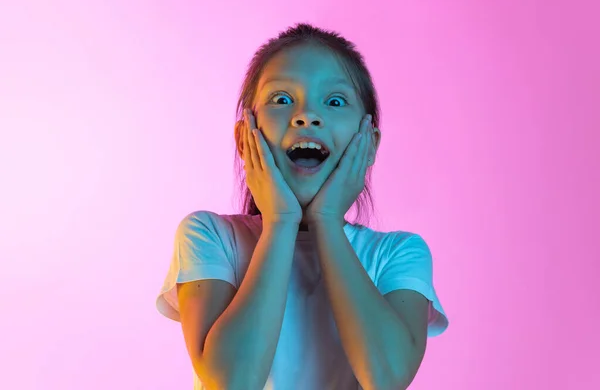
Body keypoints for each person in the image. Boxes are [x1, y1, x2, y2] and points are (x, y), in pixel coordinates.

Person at [156, 22, 449, 390]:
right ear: (245, 135)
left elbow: (386, 378)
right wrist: (280, 222)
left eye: (335, 101)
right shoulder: (209, 236)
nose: (306, 116)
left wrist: (325, 219)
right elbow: (231, 382)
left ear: (369, 142)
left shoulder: (399, 254)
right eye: (281, 99)